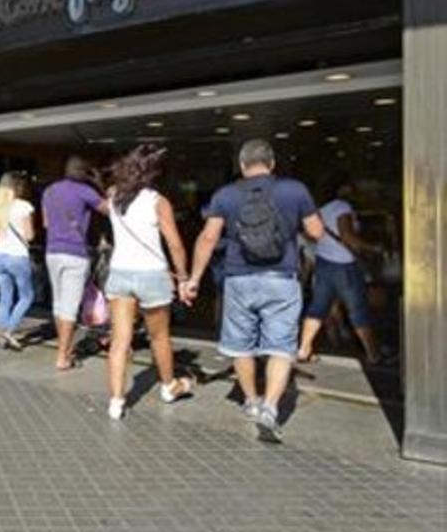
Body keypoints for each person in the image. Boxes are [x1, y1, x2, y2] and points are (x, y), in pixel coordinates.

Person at [181, 139, 323, 444]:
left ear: (242, 165)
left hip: (239, 280)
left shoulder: (226, 195)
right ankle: (271, 408)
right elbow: (316, 232)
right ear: (272, 163)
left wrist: (193, 279)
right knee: (282, 346)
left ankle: (252, 401)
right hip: (281, 278)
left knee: (240, 344)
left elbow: (207, 239)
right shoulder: (294, 190)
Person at [102, 145, 193, 420]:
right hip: (152, 274)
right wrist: (183, 276)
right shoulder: (158, 201)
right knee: (159, 337)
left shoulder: (113, 195)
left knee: (120, 341)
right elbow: (175, 244)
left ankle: (117, 401)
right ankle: (169, 386)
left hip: (119, 271)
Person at [297, 174, 387, 365]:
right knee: (357, 309)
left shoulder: (321, 210)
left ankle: (304, 348)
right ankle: (373, 353)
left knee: (318, 307)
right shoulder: (342, 207)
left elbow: (310, 235)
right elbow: (347, 237)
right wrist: (373, 247)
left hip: (323, 263)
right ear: (343, 189)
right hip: (344, 264)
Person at [41, 156, 108, 370]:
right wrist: (98, 183)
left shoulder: (49, 191)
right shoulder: (84, 191)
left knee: (59, 304)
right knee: (69, 307)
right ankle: (63, 357)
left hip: (52, 252)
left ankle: (66, 348)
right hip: (75, 253)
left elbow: (45, 223)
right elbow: (109, 210)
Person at [0, 172, 36, 351]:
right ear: (16, 187)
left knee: (5, 298)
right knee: (27, 296)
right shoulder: (24, 206)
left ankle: (2, 336)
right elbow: (30, 235)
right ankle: (9, 331)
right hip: (18, 257)